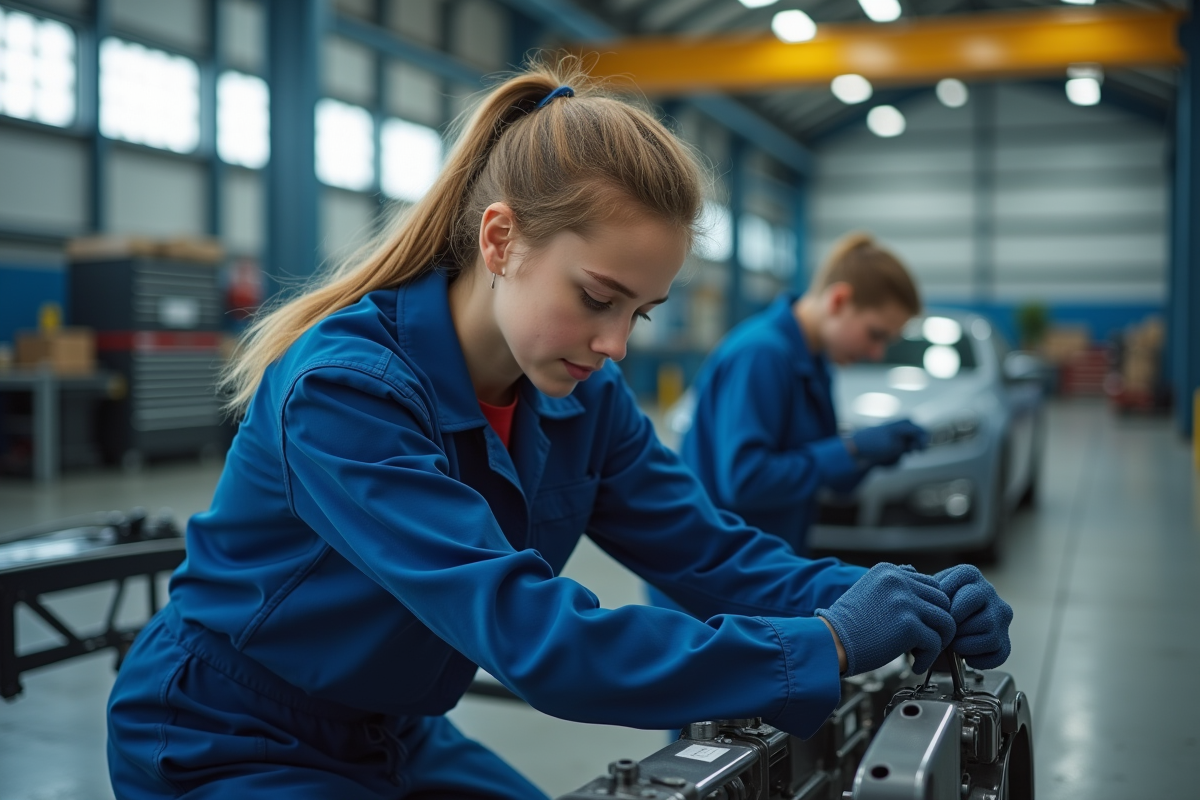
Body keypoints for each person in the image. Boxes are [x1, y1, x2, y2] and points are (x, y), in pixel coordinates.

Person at [106, 59, 1012, 800]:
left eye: (641, 313)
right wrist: (828, 643)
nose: (615, 345)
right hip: (226, 737)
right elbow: (534, 633)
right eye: (596, 298)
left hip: (395, 730)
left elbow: (712, 551)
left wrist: (891, 595)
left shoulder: (580, 395)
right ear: (500, 241)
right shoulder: (346, 393)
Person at [670, 234, 930, 563]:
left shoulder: (814, 359)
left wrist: (869, 456)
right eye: (875, 334)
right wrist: (852, 449)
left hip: (762, 559)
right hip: (712, 569)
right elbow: (746, 480)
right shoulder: (762, 355)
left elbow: (814, 470)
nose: (876, 353)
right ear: (838, 301)